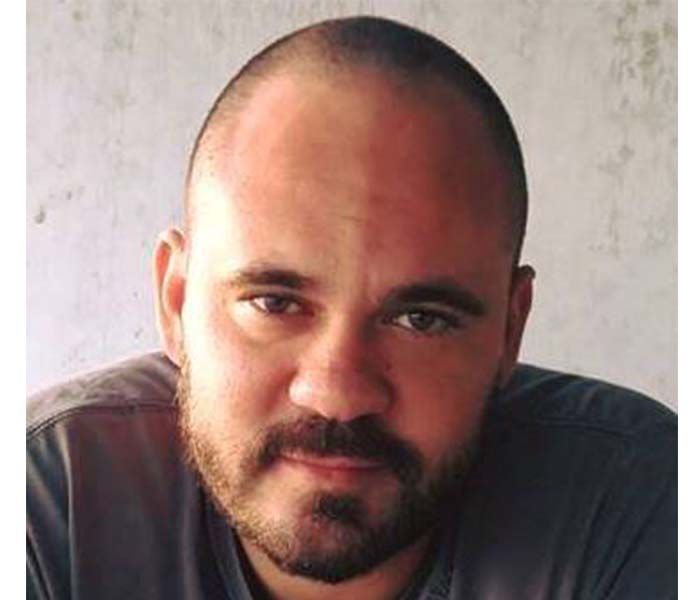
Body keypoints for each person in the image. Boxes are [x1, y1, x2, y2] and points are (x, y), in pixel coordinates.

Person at [27, 16, 676, 600]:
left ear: (509, 331)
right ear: (176, 302)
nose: (338, 395)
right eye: (275, 302)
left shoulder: (638, 501)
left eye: (422, 319)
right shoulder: (48, 503)